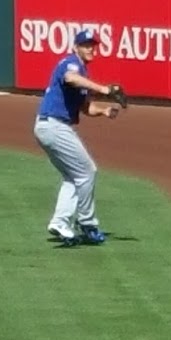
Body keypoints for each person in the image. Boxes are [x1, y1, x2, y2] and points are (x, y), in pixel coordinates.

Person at [34, 29, 123, 246]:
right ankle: (87, 222)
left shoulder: (82, 72)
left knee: (73, 177)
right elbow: (71, 78)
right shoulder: (71, 63)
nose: (91, 48)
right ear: (76, 47)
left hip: (49, 127)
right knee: (87, 171)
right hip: (54, 126)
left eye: (93, 44)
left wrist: (104, 110)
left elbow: (85, 107)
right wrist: (104, 88)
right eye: (86, 45)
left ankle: (60, 222)